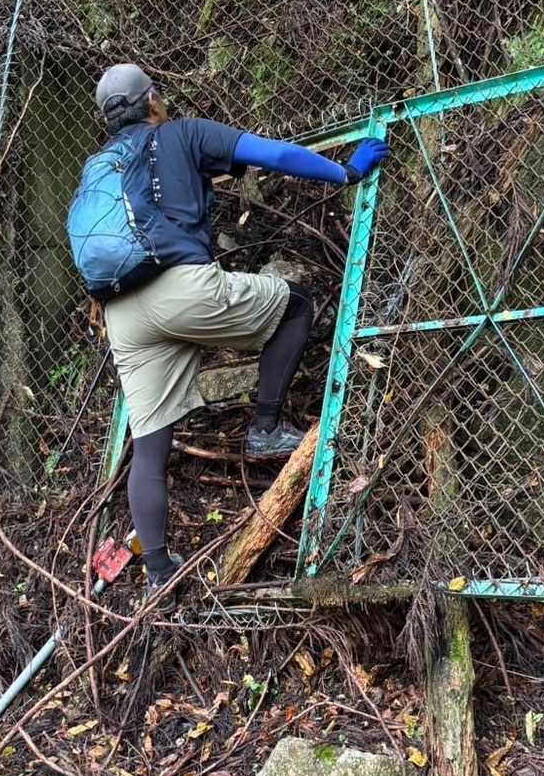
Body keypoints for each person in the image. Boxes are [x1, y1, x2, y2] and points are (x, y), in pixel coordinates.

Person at [84, 62, 388, 589]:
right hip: (181, 286)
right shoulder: (183, 134)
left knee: (150, 444)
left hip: (122, 312)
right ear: (153, 99)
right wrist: (345, 172)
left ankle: (158, 574)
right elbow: (273, 154)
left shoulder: (100, 166)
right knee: (295, 305)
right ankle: (265, 429)